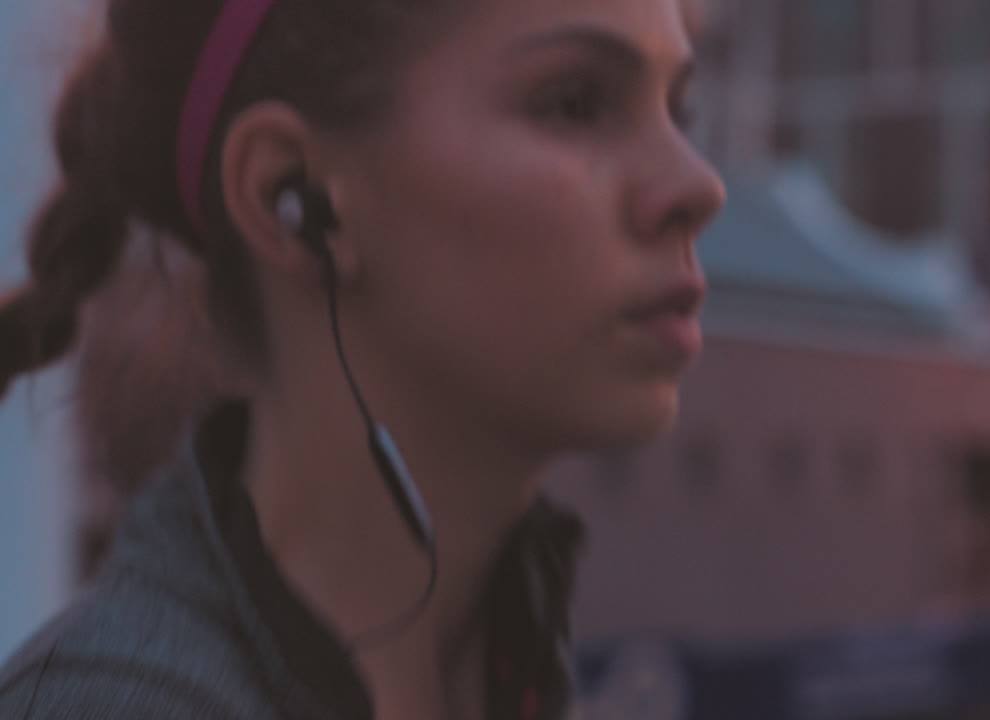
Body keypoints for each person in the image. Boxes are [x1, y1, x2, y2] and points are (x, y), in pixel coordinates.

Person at [0, 0, 726, 717]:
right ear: (292, 196)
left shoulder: (506, 670)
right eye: (575, 102)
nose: (699, 187)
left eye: (677, 111)